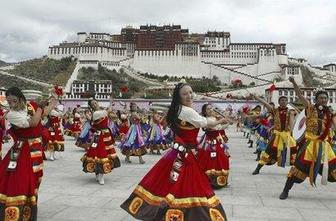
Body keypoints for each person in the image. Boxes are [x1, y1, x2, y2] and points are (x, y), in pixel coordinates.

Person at [120, 82, 227, 221]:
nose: (189, 95)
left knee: (171, 182)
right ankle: (187, 213)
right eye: (185, 94)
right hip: (186, 154)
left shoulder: (177, 109)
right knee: (189, 184)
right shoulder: (187, 111)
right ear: (179, 97)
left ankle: (171, 211)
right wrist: (222, 120)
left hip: (177, 152)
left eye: (190, 92)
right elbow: (205, 123)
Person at [0, 87, 57, 220]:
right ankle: (15, 211)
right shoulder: (11, 114)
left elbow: (44, 113)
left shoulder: (30, 105)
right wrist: (39, 107)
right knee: (21, 179)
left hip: (35, 148)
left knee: (34, 178)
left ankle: (27, 207)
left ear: (20, 98)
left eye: (14, 101)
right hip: (23, 150)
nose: (12, 104)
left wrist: (53, 101)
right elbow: (33, 122)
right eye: (9, 102)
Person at [279, 77, 336, 200]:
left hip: (324, 146)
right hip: (310, 144)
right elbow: (299, 94)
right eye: (321, 98)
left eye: (325, 98)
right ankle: (285, 190)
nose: (324, 100)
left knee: (333, 168)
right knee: (299, 168)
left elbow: (334, 125)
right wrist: (294, 83)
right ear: (316, 99)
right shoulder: (310, 108)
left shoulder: (330, 113)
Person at [251, 95, 297, 175]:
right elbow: (265, 103)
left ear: (287, 102)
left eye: (285, 100)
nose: (284, 102)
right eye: (282, 100)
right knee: (268, 151)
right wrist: (257, 97)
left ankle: (296, 171)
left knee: (294, 151)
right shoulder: (275, 110)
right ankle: (258, 168)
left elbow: (292, 122)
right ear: (279, 102)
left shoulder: (291, 111)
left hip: (287, 135)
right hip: (277, 136)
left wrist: (292, 132)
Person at [81, 99, 121, 185]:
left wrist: (111, 104)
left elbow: (111, 114)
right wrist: (110, 106)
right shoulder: (96, 114)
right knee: (100, 153)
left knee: (106, 153)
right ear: (91, 107)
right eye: (93, 104)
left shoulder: (102, 111)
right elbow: (105, 113)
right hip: (98, 135)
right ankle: (100, 175)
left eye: (95, 103)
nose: (95, 105)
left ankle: (99, 173)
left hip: (107, 135)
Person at [198, 103, 230, 189]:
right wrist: (223, 119)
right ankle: (211, 181)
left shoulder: (214, 118)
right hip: (210, 142)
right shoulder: (206, 119)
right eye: (208, 109)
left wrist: (228, 123)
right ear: (204, 112)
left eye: (211, 108)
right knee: (212, 159)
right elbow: (214, 125)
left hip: (218, 140)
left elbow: (220, 128)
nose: (211, 110)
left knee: (223, 158)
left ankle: (220, 180)